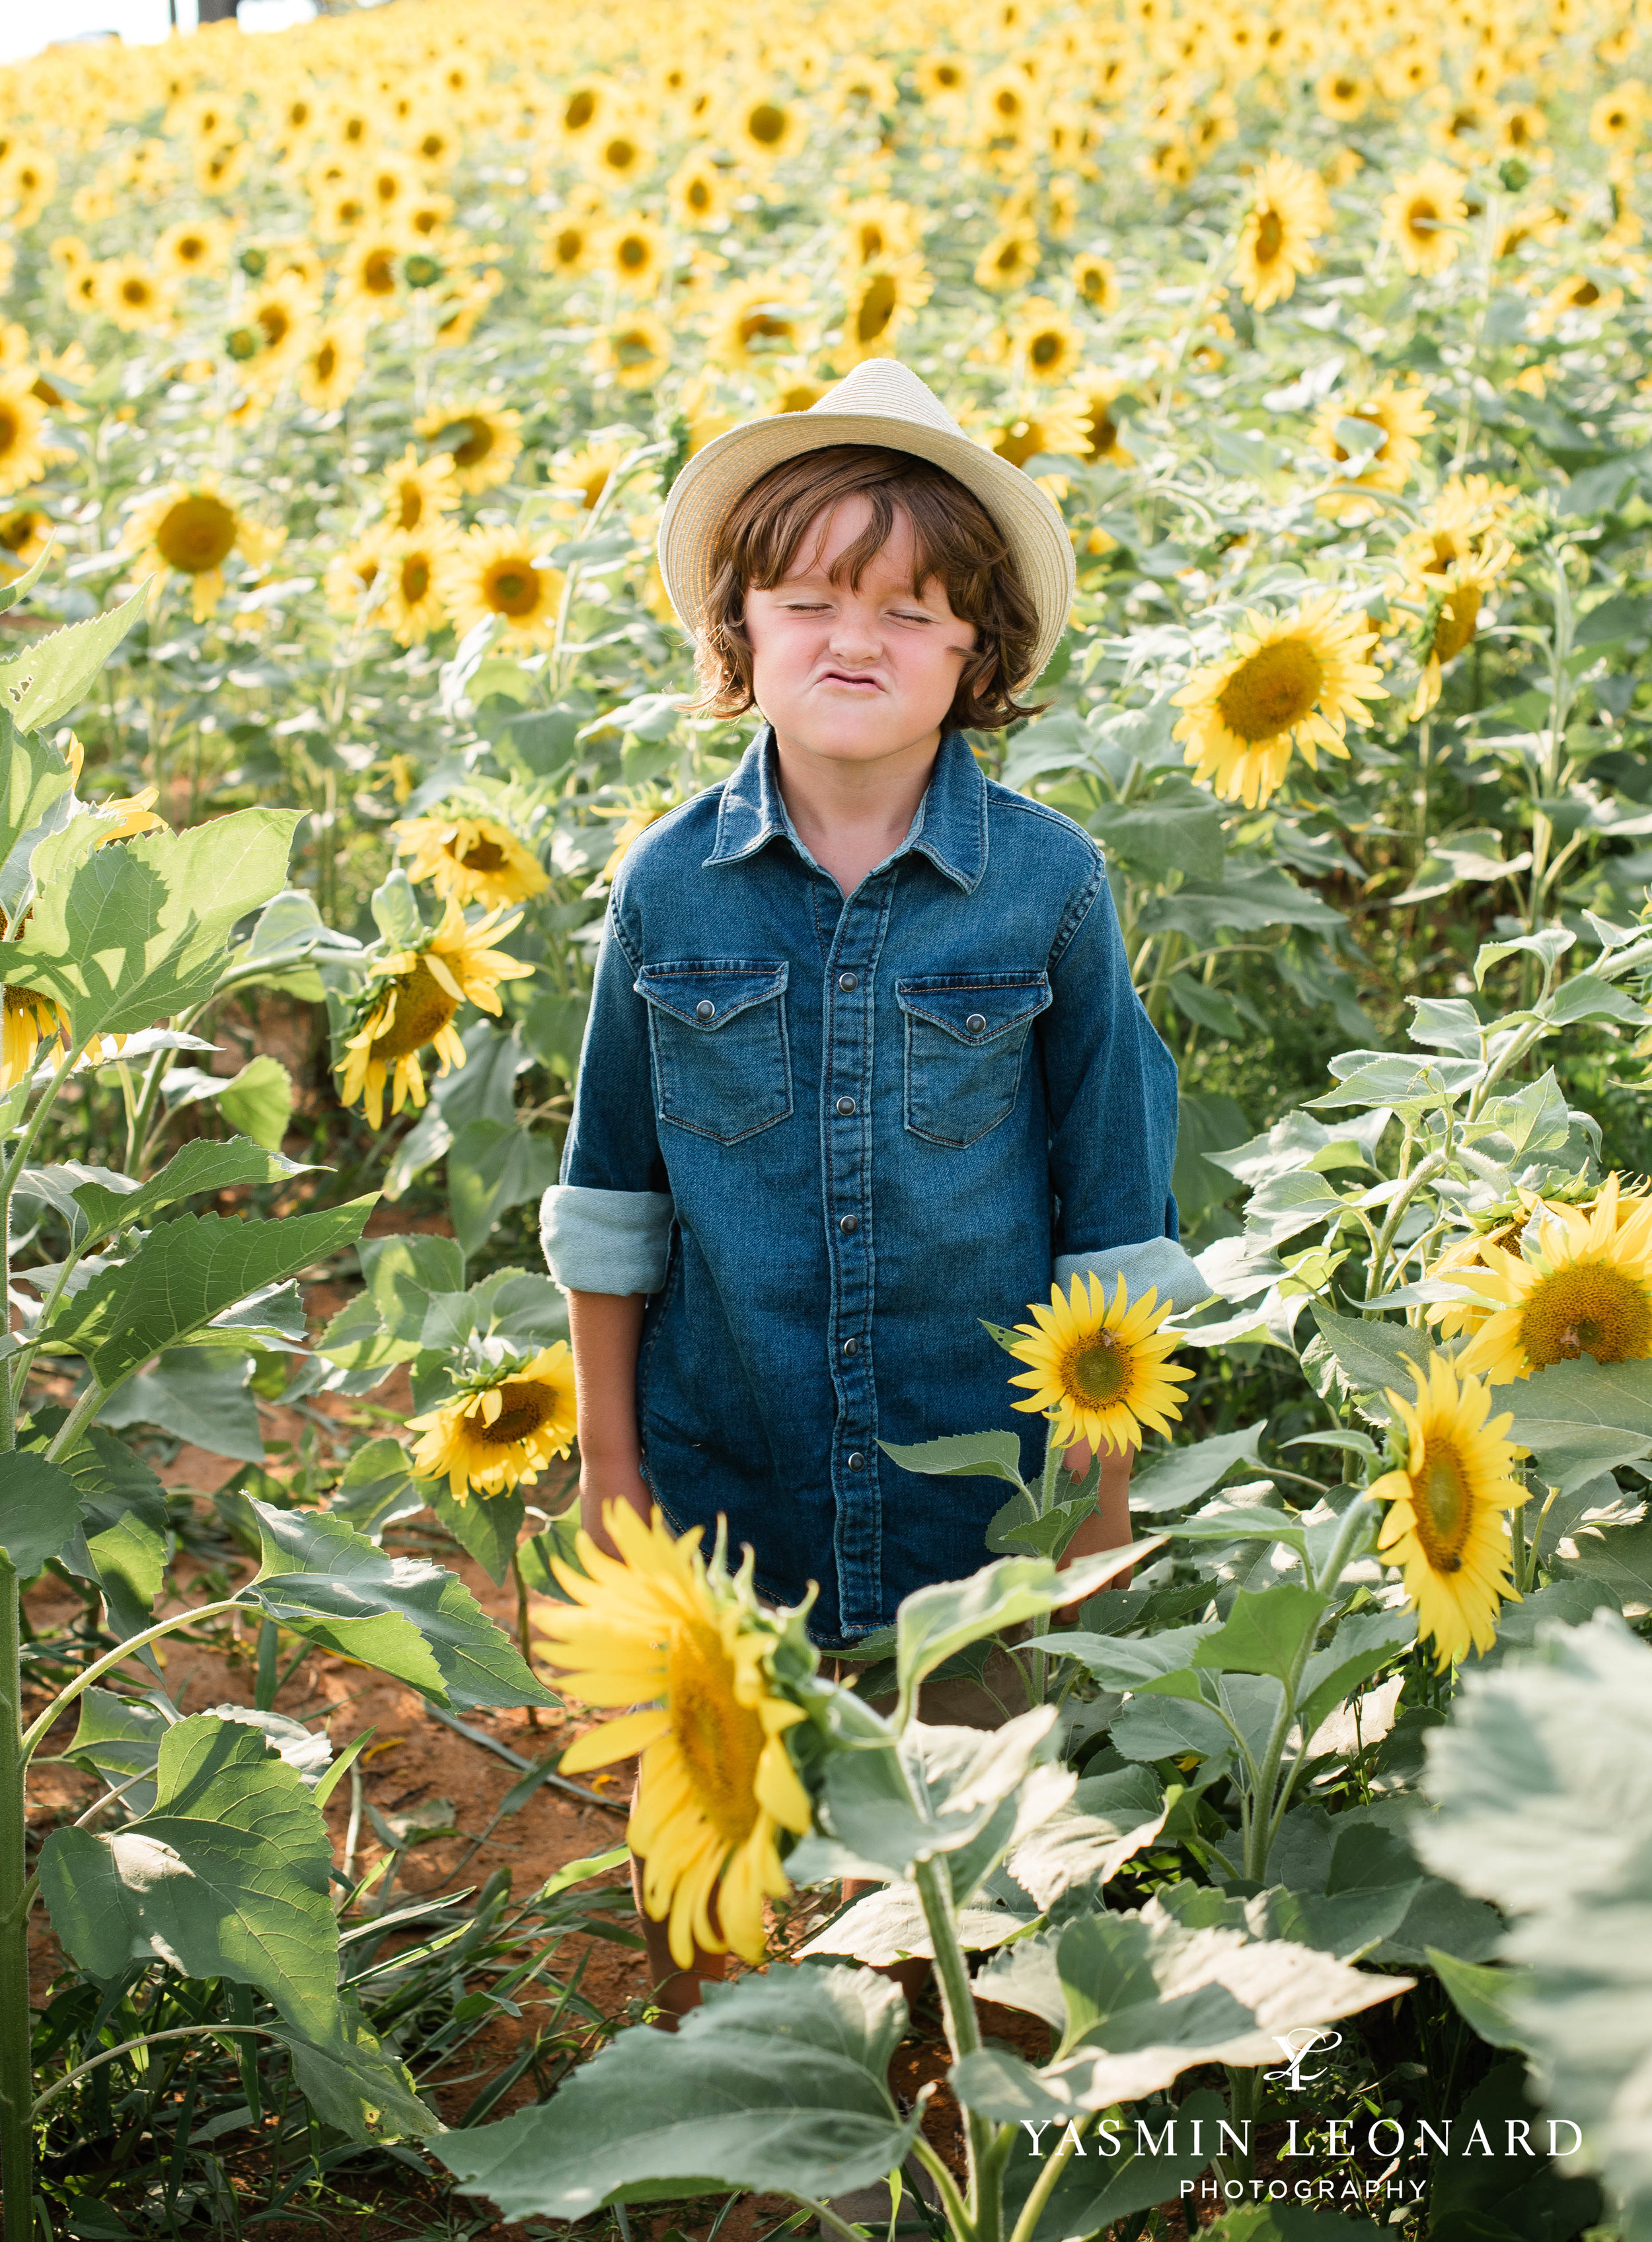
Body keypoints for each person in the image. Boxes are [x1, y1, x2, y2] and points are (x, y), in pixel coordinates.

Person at [540, 357, 1203, 2019]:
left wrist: (1099, 1502)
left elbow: (1111, 1214)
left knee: (967, 1866)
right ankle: (726, 2109)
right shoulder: (667, 882)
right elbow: (609, 1194)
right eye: (811, 596)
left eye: (911, 611)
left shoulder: (1045, 885)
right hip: (720, 1455)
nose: (856, 638)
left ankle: (937, 2121)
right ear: (737, 628)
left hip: (973, 1488)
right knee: (706, 1847)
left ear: (977, 657)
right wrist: (608, 1459)